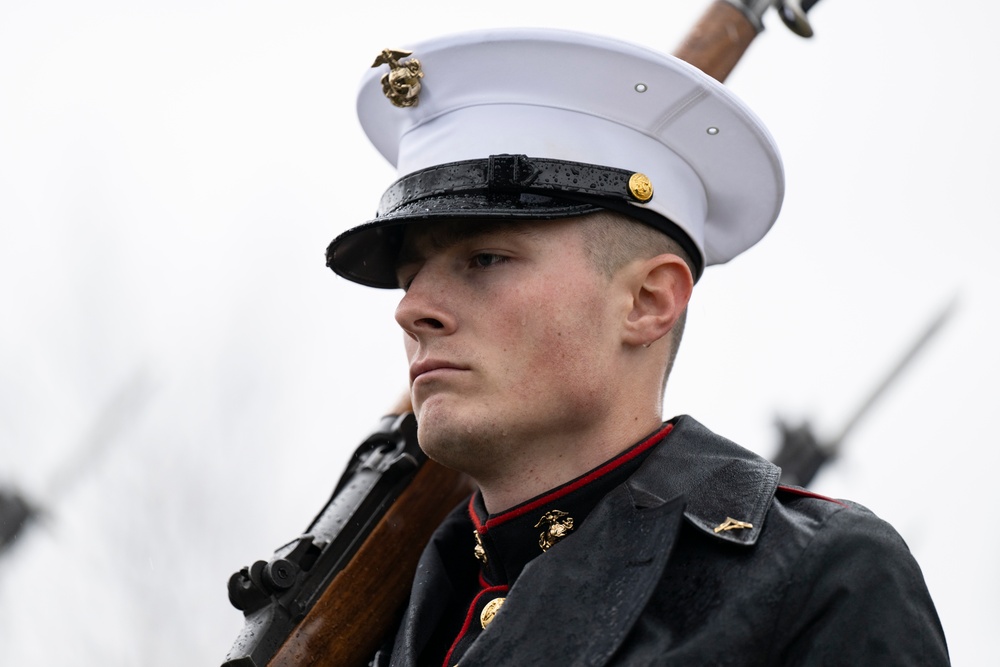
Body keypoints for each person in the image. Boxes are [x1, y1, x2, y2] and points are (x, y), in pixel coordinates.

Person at [326, 28, 949, 666]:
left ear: (648, 301)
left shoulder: (817, 579)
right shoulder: (378, 615)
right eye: (408, 279)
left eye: (484, 258)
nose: (411, 310)